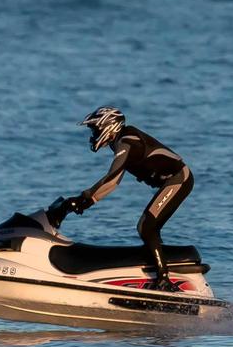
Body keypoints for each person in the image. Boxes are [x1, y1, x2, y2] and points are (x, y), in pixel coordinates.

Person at [63, 106, 195, 292]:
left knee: (147, 227)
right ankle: (159, 271)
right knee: (148, 227)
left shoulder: (127, 141)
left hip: (179, 179)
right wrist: (87, 200)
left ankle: (164, 280)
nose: (93, 134)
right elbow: (114, 178)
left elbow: (113, 178)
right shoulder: (120, 142)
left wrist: (84, 199)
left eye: (95, 129)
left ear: (108, 127)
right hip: (173, 180)